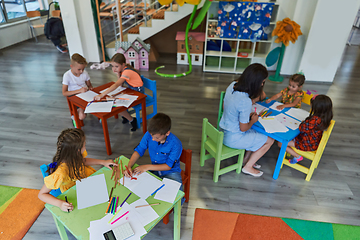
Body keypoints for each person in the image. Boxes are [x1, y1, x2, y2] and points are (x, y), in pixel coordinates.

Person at [38, 128, 116, 212]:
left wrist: (103, 162)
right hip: (76, 194)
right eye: (84, 145)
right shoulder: (61, 173)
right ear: (77, 151)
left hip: (88, 183)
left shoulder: (73, 156)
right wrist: (60, 204)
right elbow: (41, 194)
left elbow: (83, 161)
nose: (85, 147)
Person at [219, 63, 274, 177]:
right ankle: (248, 167)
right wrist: (252, 120)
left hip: (223, 132)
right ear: (256, 82)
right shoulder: (245, 101)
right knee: (269, 140)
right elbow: (243, 128)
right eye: (262, 82)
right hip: (234, 138)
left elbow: (225, 107)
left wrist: (239, 114)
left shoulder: (232, 85)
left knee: (256, 133)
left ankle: (247, 161)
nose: (263, 84)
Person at [124, 113, 183, 192]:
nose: (152, 139)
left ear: (167, 133)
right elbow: (139, 150)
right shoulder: (149, 135)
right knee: (142, 190)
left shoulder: (176, 144)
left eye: (156, 137)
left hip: (171, 172)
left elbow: (168, 166)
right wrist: (129, 166)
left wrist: (147, 167)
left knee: (175, 195)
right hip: (154, 170)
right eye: (151, 135)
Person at [94, 53, 144, 132]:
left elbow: (117, 84)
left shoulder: (126, 72)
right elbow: (120, 84)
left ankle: (132, 120)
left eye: (116, 66)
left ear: (123, 64)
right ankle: (126, 116)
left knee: (117, 104)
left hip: (138, 92)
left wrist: (102, 94)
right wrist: (118, 74)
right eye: (113, 66)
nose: (114, 68)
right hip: (131, 89)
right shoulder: (123, 70)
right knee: (115, 100)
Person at [278, 95, 333, 164]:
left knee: (280, 143)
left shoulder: (315, 119)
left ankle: (297, 156)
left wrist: (304, 122)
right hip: (313, 141)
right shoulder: (324, 117)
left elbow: (301, 128)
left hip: (306, 143)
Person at [62, 53, 94, 124]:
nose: (81, 71)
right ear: (72, 66)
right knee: (82, 116)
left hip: (85, 94)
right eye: (79, 69)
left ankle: (83, 110)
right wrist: (79, 91)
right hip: (74, 96)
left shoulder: (85, 73)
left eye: (83, 69)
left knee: (97, 103)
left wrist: (91, 88)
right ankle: (75, 116)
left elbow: (89, 85)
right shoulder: (67, 75)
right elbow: (64, 93)